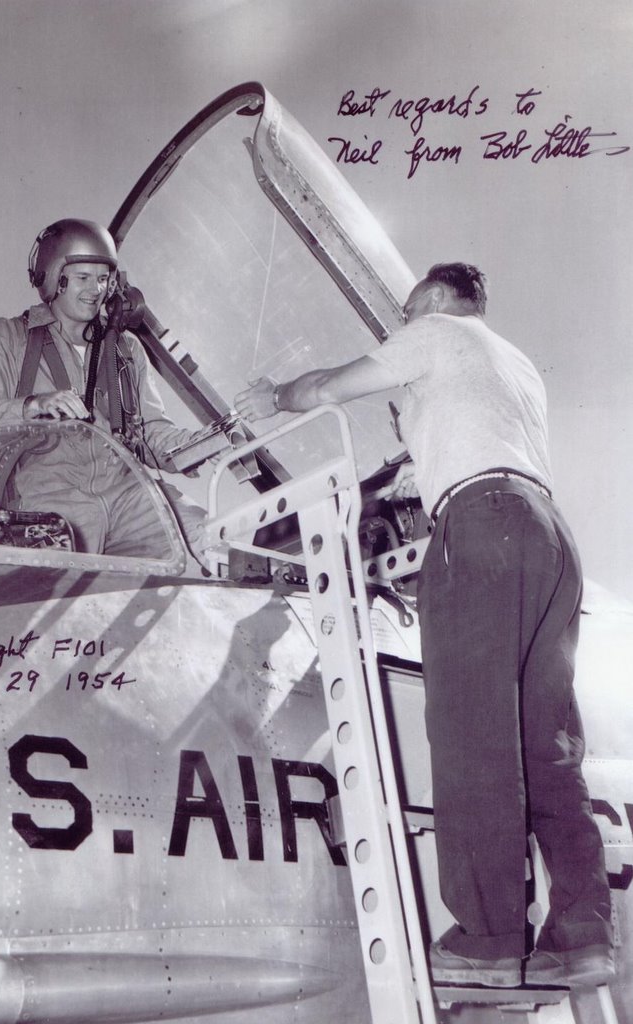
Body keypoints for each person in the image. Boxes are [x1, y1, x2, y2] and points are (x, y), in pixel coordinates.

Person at [235, 263, 614, 990]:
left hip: (480, 523)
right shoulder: (511, 365)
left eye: (405, 313)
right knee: (549, 748)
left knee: (472, 729)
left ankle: (488, 941)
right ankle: (582, 935)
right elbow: (477, 434)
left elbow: (328, 387)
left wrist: (275, 397)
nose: (400, 327)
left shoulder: (436, 331)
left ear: (436, 300)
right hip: (548, 537)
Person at [0, 218, 205, 560]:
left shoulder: (125, 349)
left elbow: (150, 433)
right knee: (66, 580)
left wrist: (205, 445)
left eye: (103, 279)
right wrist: (32, 406)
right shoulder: (10, 338)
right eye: (83, 278)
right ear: (54, 278)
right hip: (51, 500)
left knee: (207, 538)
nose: (95, 290)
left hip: (126, 495)